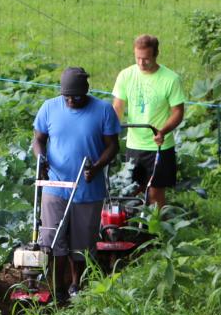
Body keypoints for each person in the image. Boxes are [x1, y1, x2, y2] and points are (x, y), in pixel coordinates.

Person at [32, 67, 120, 301]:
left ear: (86, 92)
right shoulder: (49, 108)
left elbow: (113, 146)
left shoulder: (103, 110)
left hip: (88, 189)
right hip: (55, 186)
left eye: (77, 97)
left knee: (81, 243)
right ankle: (57, 289)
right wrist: (41, 159)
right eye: (67, 97)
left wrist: (98, 166)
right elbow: (38, 139)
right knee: (52, 240)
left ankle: (75, 284)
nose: (71, 101)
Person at [112, 34, 186, 208]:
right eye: (137, 58)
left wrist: (163, 131)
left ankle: (155, 230)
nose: (141, 63)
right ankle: (135, 230)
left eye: (145, 59)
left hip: (159, 145)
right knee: (133, 189)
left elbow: (178, 112)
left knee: (155, 192)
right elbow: (117, 107)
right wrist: (110, 129)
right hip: (134, 144)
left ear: (155, 54)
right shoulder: (126, 76)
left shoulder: (170, 79)